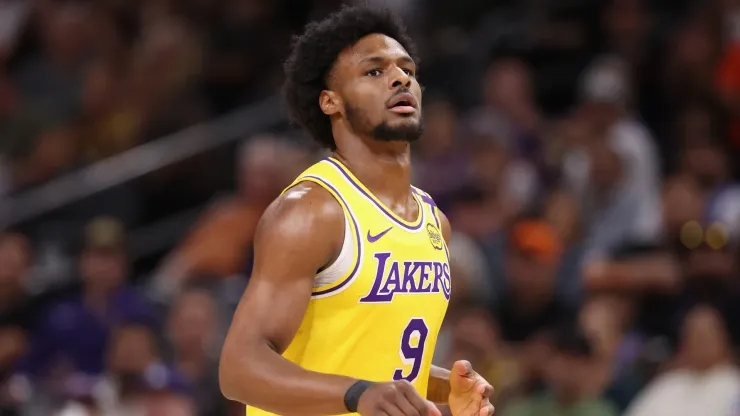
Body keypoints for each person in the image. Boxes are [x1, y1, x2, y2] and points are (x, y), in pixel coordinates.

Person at [218, 5, 495, 416]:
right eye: (374, 72)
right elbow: (238, 370)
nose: (401, 78)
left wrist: (445, 388)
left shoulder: (435, 222)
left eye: (408, 70)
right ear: (331, 102)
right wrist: (356, 394)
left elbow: (380, 365)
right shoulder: (311, 211)